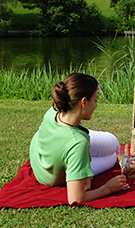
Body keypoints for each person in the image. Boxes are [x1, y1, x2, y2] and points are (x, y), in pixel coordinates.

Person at [29, 73, 128, 204]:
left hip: (39, 158)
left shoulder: (55, 111)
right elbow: (76, 198)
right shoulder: (77, 143)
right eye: (95, 100)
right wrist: (108, 188)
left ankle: (84, 160)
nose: (96, 106)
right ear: (84, 102)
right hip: (52, 174)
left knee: (113, 144)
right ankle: (85, 161)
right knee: (112, 157)